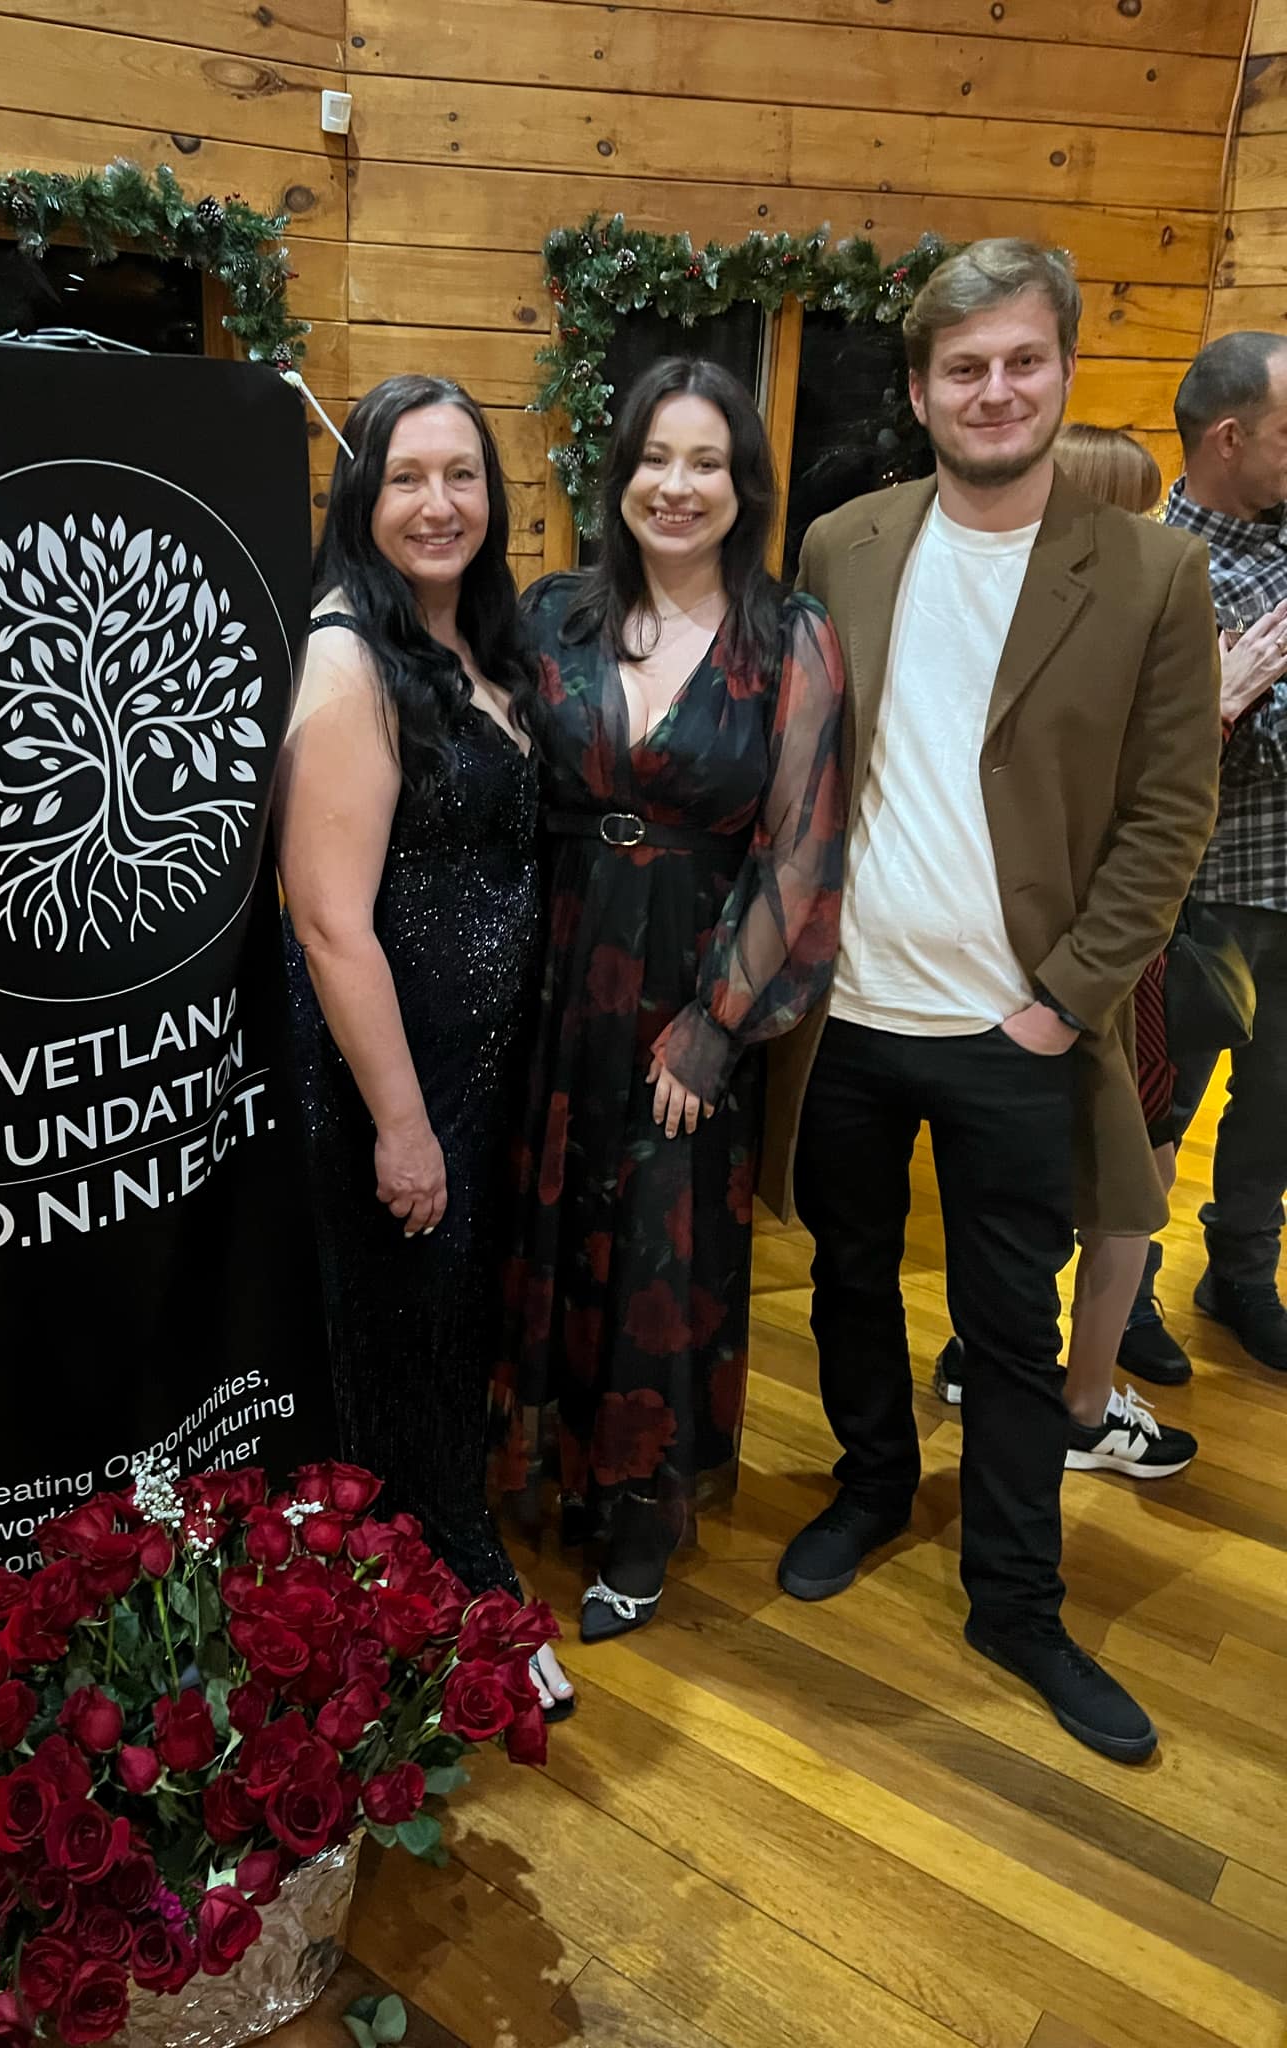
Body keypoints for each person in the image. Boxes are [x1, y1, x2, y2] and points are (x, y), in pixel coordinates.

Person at [771, 240, 1219, 1764]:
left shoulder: (1152, 574)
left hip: (1015, 1030)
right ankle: (872, 1486)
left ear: (1065, 371)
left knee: (1011, 1329)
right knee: (844, 1275)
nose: (995, 390)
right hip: (848, 1019)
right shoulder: (843, 544)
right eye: (964, 367)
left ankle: (1017, 1601)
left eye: (1023, 361)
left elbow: (1170, 813)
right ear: (920, 391)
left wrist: (1063, 1001)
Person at [495, 357, 845, 1643]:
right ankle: (539, 1472)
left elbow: (801, 847)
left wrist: (714, 1025)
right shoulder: (553, 614)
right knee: (542, 1221)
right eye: (655, 457)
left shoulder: (790, 634)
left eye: (707, 461)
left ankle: (637, 1517)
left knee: (661, 1245)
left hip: (692, 986)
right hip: (552, 973)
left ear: (745, 484)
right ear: (620, 475)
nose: (677, 485)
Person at [277, 373, 573, 1717]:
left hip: (480, 1066)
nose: (438, 503)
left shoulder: (479, 639)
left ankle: (420, 1579)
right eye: (406, 477)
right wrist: (401, 1123)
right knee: (406, 1343)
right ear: (362, 495)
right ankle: (453, 1599)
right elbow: (330, 921)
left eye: (461, 475)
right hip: (392, 1081)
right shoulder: (349, 656)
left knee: (444, 1335)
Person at [933, 424, 1199, 1481]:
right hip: (1103, 947)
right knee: (1125, 1180)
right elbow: (1149, 797)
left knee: (1080, 1178)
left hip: (1091, 949)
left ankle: (1003, 1361)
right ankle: (1080, 1403)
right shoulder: (1116, 607)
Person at [1119, 331, 1287, 1378]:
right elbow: (1152, 749)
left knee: (1278, 1106)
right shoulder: (1156, 569)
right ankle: (1127, 1297)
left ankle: (1242, 1278)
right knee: (1160, 1109)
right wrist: (1230, 702)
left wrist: (1247, 698)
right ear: (1230, 437)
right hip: (1200, 895)